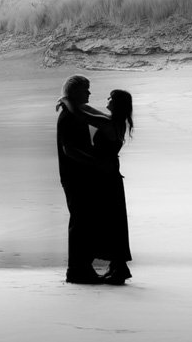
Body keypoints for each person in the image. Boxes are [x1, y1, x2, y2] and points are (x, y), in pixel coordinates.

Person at [54, 74, 107, 284]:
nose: (89, 93)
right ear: (75, 91)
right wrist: (96, 163)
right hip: (75, 177)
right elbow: (70, 149)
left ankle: (81, 268)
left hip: (77, 175)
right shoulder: (70, 116)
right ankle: (77, 270)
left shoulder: (74, 113)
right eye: (86, 89)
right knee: (80, 222)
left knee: (82, 222)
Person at [89, 88, 134, 284]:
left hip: (106, 176)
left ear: (117, 104)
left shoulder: (109, 123)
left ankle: (118, 268)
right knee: (113, 220)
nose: (107, 99)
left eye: (110, 98)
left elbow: (85, 116)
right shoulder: (117, 121)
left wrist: (68, 102)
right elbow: (92, 112)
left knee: (109, 220)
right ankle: (118, 268)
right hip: (110, 174)